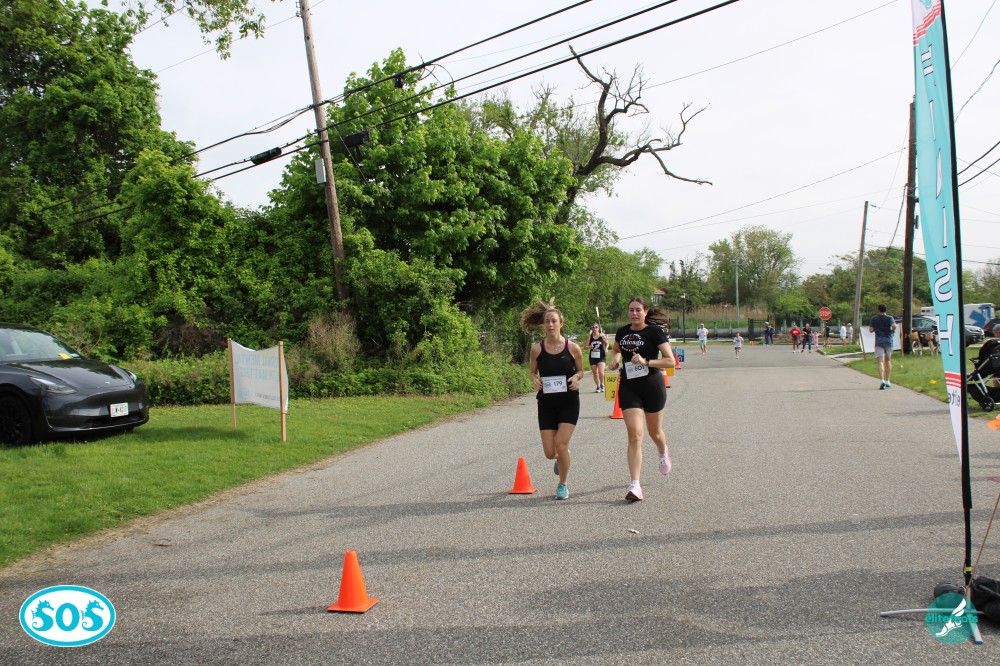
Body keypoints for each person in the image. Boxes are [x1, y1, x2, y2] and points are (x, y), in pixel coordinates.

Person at [607, 297, 675, 503]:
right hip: (629, 387)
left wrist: (646, 361)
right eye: (631, 310)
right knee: (635, 435)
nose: (634, 313)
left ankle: (663, 452)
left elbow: (670, 361)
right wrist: (614, 361)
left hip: (652, 386)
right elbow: (616, 350)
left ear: (645, 312)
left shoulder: (654, 332)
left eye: (638, 310)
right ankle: (635, 485)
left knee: (655, 432)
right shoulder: (622, 332)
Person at [521, 299, 585, 500]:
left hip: (568, 402)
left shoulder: (573, 348)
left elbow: (581, 371)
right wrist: (535, 380)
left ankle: (563, 484)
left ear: (561, 324)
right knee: (550, 452)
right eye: (547, 321)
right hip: (546, 404)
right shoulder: (537, 349)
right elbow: (532, 372)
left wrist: (576, 378)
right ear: (543, 325)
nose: (550, 325)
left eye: (554, 321)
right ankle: (560, 458)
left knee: (561, 444)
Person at [868, 303, 896, 390]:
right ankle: (888, 381)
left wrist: (876, 328)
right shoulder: (890, 318)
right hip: (888, 341)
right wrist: (892, 331)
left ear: (878, 309)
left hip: (879, 341)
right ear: (886, 310)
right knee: (888, 360)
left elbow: (870, 330)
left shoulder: (874, 319)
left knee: (880, 361)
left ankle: (882, 380)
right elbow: (894, 326)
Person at [585, 323, 610, 392]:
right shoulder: (590, 337)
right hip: (593, 357)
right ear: (592, 329)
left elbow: (607, 343)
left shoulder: (602, 335)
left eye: (596, 327)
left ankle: (602, 384)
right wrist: (589, 347)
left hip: (601, 356)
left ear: (598, 328)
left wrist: (606, 349)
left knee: (601, 371)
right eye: (593, 327)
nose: (594, 328)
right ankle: (598, 386)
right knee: (595, 373)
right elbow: (585, 347)